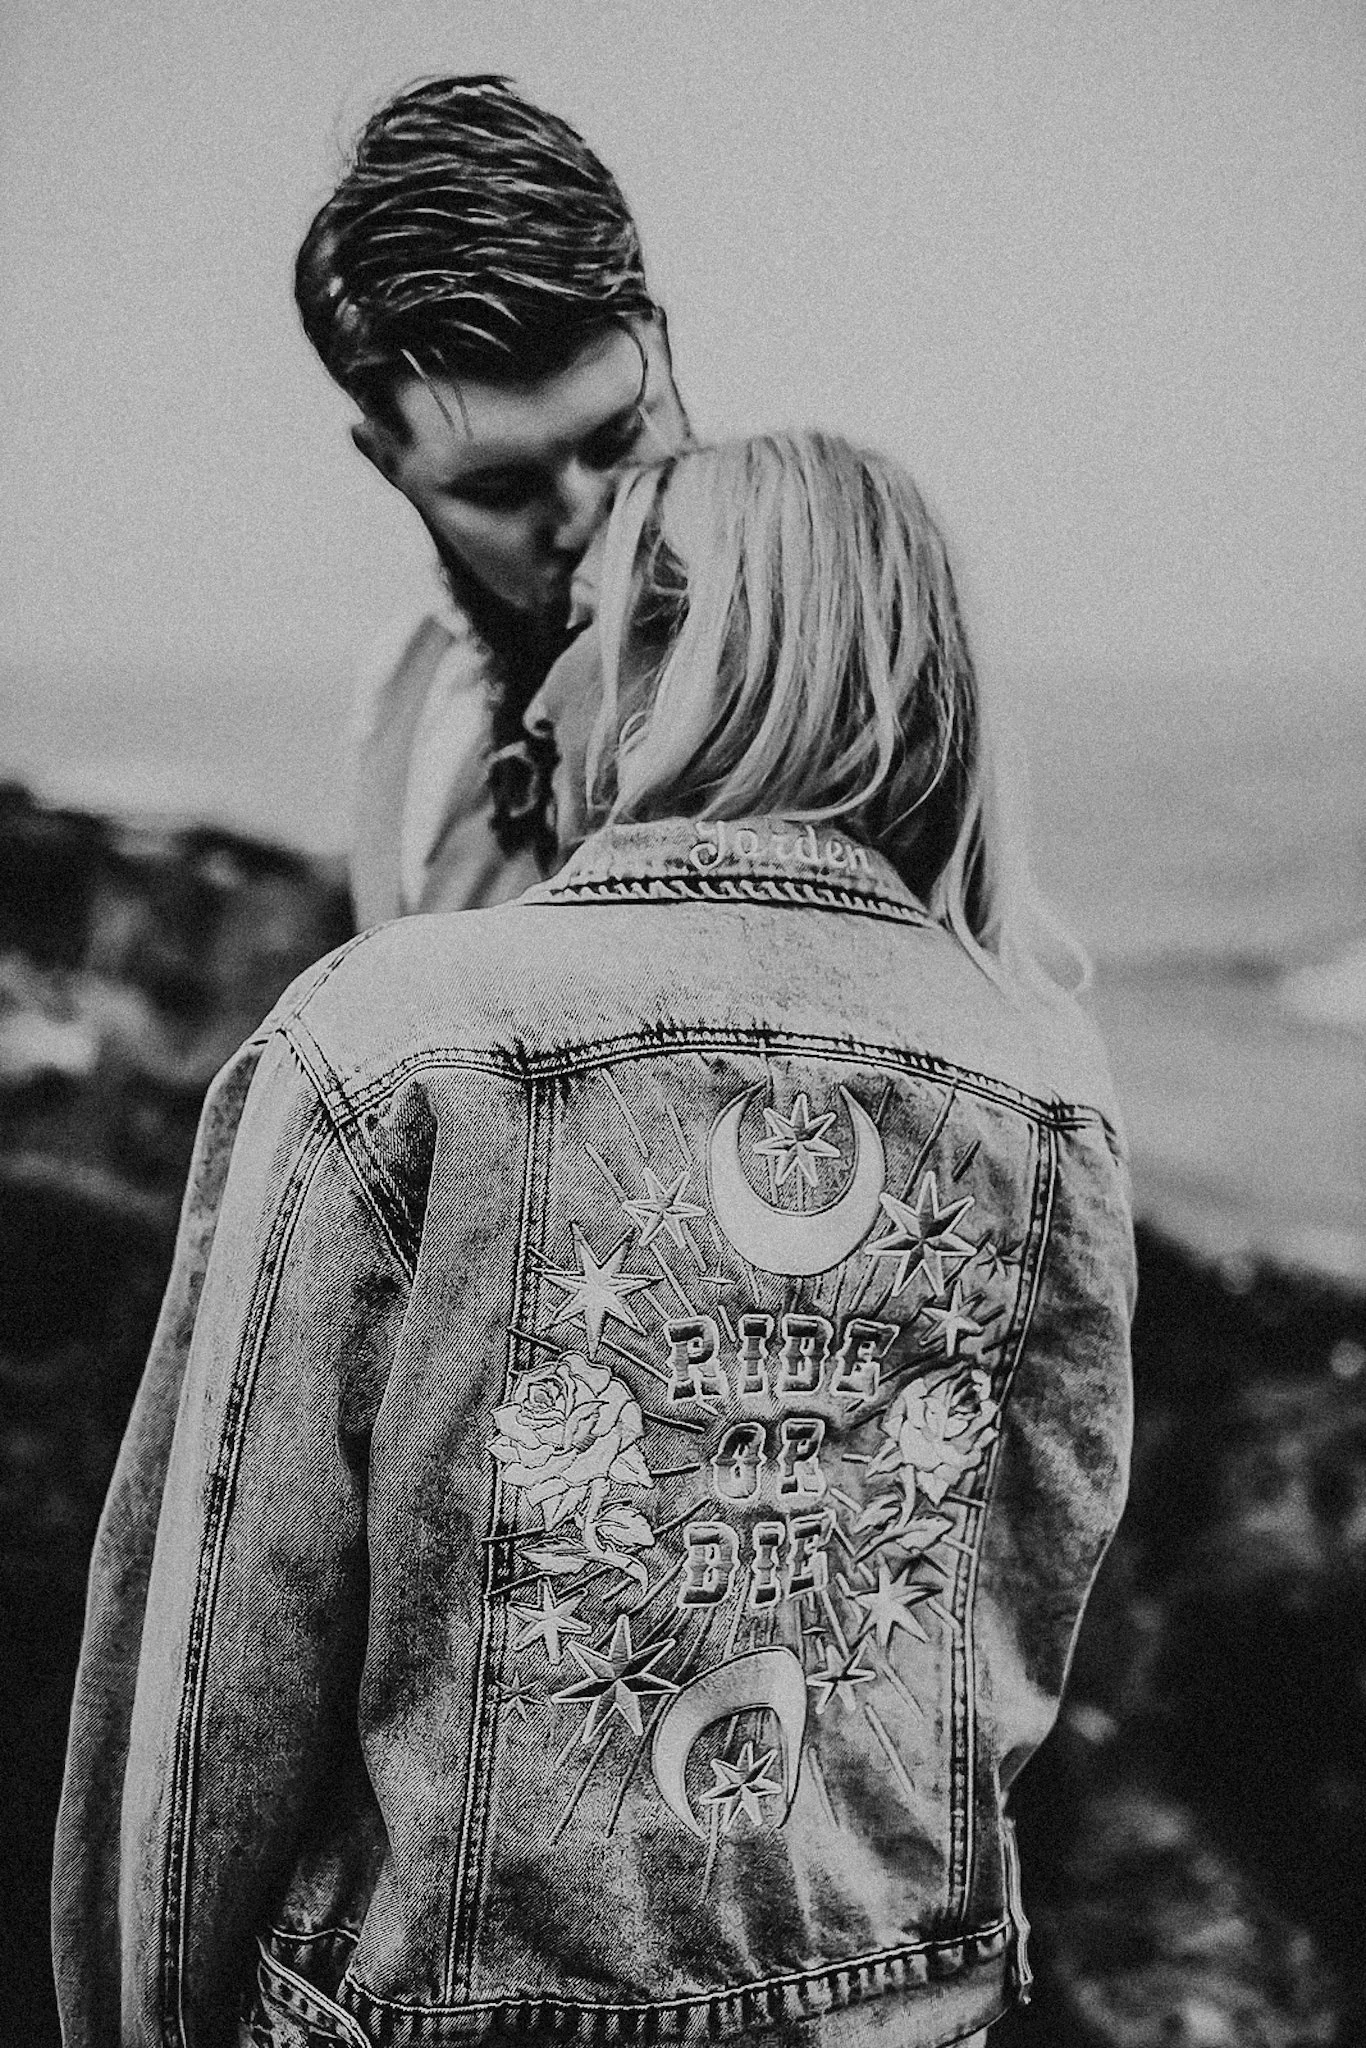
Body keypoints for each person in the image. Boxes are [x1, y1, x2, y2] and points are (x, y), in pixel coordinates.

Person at [53, 431, 1135, 2048]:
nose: (534, 704)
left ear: (668, 652)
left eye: (579, 628)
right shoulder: (1050, 1085)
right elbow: (1009, 1640)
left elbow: (206, 1698)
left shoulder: (391, 1038)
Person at [294, 74, 691, 925]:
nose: (587, 517)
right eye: (499, 489)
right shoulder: (406, 693)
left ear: (660, 340)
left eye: (617, 438)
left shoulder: (827, 664)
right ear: (386, 463)